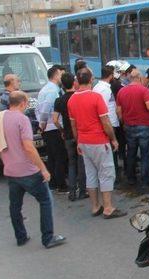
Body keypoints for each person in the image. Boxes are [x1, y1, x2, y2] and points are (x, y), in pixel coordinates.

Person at [0, 91, 66, 249]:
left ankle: (21, 236)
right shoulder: (22, 119)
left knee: (15, 205)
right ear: (22, 103)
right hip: (27, 170)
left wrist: (6, 162)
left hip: (11, 170)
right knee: (46, 200)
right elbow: (29, 147)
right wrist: (43, 169)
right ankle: (48, 237)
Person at [68, 68, 126, 219]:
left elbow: (73, 125)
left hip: (83, 141)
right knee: (106, 173)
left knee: (91, 174)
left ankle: (95, 206)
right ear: (91, 79)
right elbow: (105, 122)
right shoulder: (96, 97)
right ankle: (108, 207)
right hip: (99, 141)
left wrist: (78, 141)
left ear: (77, 81)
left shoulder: (72, 100)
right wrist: (113, 139)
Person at [116, 69, 149, 188]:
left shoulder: (121, 91)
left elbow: (118, 111)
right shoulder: (144, 90)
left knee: (131, 153)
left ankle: (131, 178)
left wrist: (123, 122)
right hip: (144, 125)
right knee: (145, 154)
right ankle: (145, 180)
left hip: (129, 126)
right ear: (139, 78)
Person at [53, 72, 87, 201]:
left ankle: (72, 191)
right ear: (74, 83)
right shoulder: (78, 97)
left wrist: (61, 129)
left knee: (71, 163)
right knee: (82, 163)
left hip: (67, 134)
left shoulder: (59, 100)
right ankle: (83, 190)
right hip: (80, 133)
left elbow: (55, 119)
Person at [36, 65, 68, 193]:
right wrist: (42, 123)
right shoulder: (51, 91)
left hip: (49, 127)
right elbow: (46, 109)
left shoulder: (49, 89)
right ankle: (61, 184)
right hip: (52, 127)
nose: (63, 77)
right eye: (61, 74)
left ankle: (54, 183)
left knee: (53, 156)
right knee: (59, 156)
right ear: (56, 75)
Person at [94, 65, 123, 183]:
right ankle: (114, 177)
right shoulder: (104, 89)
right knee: (112, 152)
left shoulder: (98, 87)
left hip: (109, 122)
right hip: (109, 123)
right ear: (111, 75)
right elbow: (104, 109)